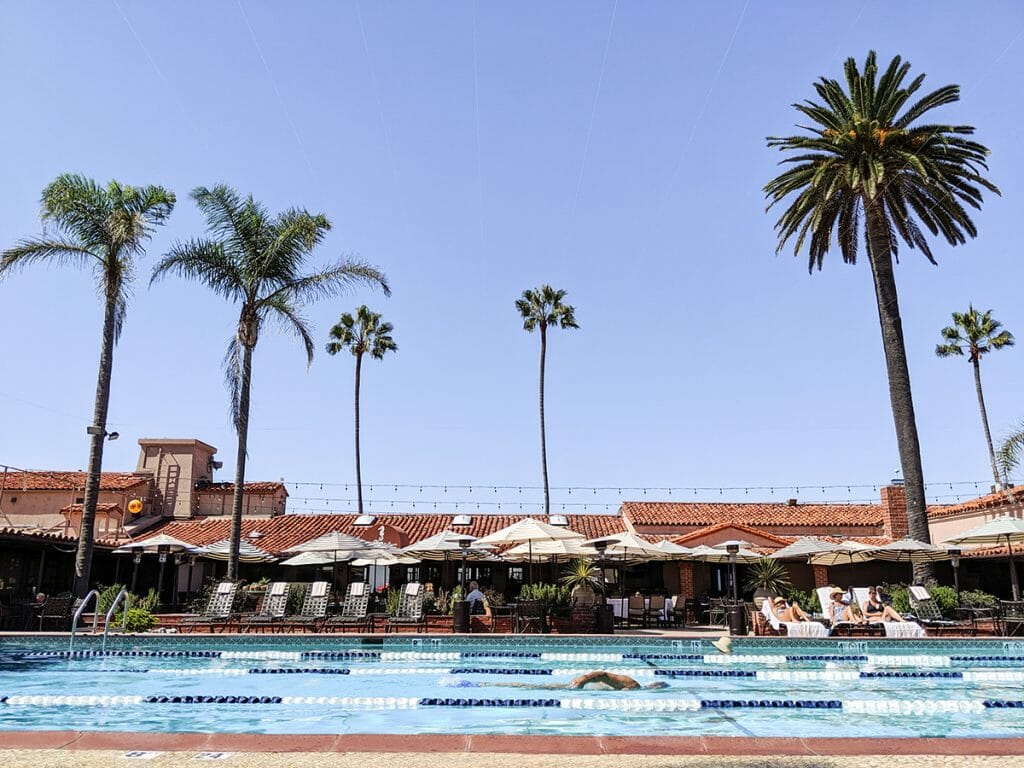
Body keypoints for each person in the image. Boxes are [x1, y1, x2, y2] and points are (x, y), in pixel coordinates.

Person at [441, 670, 668, 691]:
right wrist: (583, 679)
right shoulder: (632, 684)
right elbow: (604, 674)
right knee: (533, 687)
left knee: (533, 687)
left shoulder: (631, 691)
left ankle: (484, 685)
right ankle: (482, 685)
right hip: (575, 687)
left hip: (577, 690)